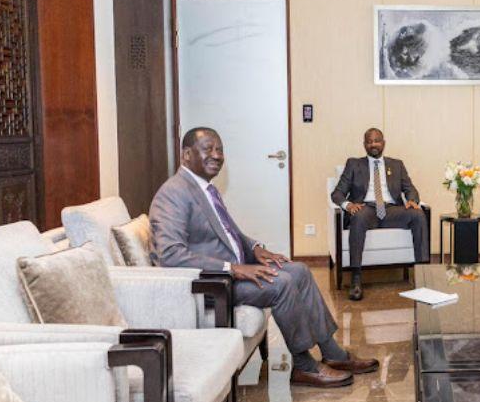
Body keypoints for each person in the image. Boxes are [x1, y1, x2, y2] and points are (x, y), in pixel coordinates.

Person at [150, 127, 377, 388]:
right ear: (186, 155)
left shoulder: (205, 189)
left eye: (220, 149)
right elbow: (170, 256)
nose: (217, 155)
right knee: (281, 284)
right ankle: (304, 367)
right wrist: (233, 268)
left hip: (230, 273)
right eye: (208, 149)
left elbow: (228, 233)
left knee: (299, 270)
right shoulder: (173, 193)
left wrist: (255, 248)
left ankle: (333, 354)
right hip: (212, 285)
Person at [330, 128, 429, 301]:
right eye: (369, 141)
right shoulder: (354, 164)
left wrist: (413, 200)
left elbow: (410, 188)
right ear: (364, 145)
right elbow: (337, 193)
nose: (373, 144)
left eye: (377, 140)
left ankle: (422, 276)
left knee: (418, 215)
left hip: (391, 210)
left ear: (383, 143)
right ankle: (356, 279)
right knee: (358, 216)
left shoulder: (397, 164)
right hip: (366, 209)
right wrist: (348, 205)